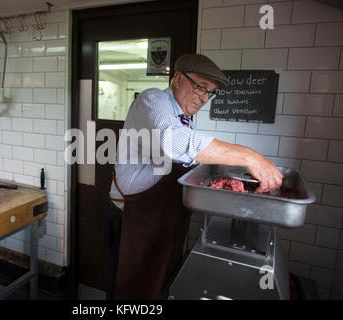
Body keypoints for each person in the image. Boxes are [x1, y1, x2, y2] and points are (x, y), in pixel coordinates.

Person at [104, 53, 283, 300]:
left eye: (210, 92)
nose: (204, 98)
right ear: (177, 79)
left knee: (154, 290)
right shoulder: (153, 100)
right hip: (132, 220)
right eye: (200, 87)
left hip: (162, 221)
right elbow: (174, 142)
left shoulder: (184, 120)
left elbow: (189, 152)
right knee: (128, 290)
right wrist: (249, 157)